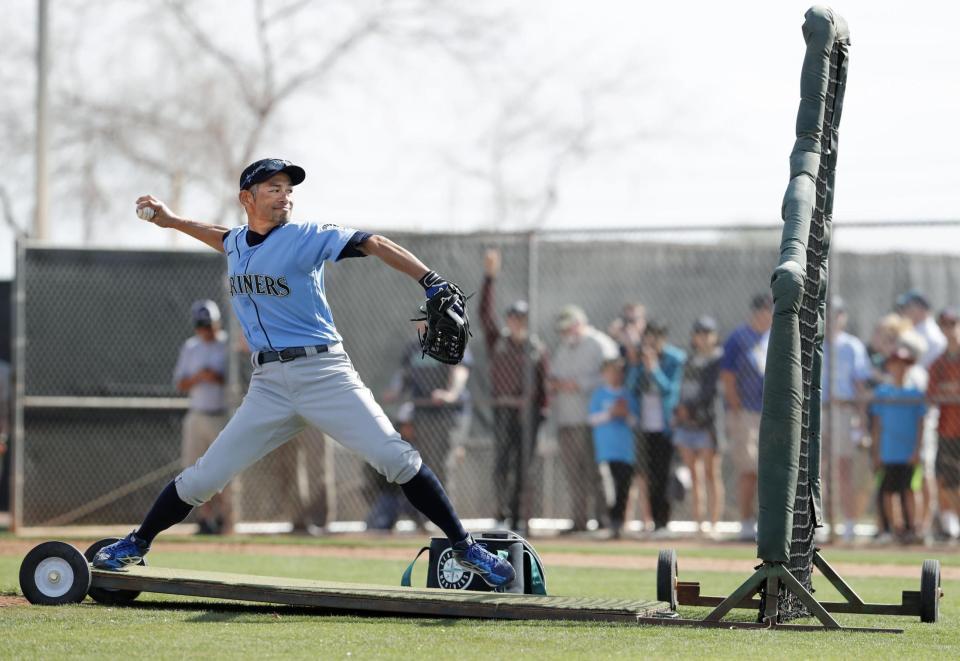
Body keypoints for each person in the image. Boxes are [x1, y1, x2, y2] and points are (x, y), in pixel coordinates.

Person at [93, 158, 515, 587]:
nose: (285, 195)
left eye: (288, 188)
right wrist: (172, 221)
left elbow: (372, 241)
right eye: (273, 187)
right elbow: (221, 237)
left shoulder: (305, 236)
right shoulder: (238, 242)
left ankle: (465, 547)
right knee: (206, 476)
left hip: (324, 373)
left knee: (394, 457)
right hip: (268, 387)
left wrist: (430, 279)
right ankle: (137, 543)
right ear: (247, 198)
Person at [479, 249, 548, 530]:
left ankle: (521, 519)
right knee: (501, 465)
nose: (515, 323)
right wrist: (489, 278)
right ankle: (502, 515)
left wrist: (542, 410)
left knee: (524, 467)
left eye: (520, 318)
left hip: (527, 413)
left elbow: (544, 383)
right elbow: (484, 314)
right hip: (504, 409)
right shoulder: (499, 341)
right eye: (512, 317)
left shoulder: (535, 348)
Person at [548, 305, 619, 532]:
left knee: (595, 471)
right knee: (573, 473)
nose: (564, 333)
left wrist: (579, 384)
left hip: (591, 419)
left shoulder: (600, 344)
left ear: (579, 324)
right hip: (566, 419)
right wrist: (557, 384)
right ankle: (579, 520)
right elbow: (555, 376)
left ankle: (605, 519)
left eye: (568, 328)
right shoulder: (563, 348)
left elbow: (612, 376)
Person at [172, 300, 233, 535]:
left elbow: (237, 378)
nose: (205, 330)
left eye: (208, 325)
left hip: (222, 416)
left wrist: (215, 377)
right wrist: (200, 377)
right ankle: (204, 519)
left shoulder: (227, 344)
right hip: (197, 415)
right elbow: (180, 383)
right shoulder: (191, 347)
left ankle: (225, 521)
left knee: (224, 471)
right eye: (201, 326)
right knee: (194, 470)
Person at [385, 326, 472, 486]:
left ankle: (443, 509)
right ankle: (425, 510)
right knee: (422, 465)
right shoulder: (413, 346)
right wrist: (395, 391)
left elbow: (460, 371)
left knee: (444, 465)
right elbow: (404, 374)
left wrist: (450, 393)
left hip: (448, 413)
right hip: (423, 412)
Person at [719, 292, 772, 541]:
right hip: (747, 412)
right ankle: (746, 521)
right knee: (749, 468)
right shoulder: (739, 338)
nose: (768, 316)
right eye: (764, 311)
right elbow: (728, 376)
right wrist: (736, 407)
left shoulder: (776, 336)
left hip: (773, 413)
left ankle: (770, 523)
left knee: (772, 471)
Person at [626, 321, 685, 535]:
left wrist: (654, 369)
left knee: (665, 473)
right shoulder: (640, 360)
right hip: (645, 425)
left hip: (666, 425)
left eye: (654, 339)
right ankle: (652, 521)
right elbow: (631, 387)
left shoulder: (674, 359)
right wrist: (636, 365)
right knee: (648, 474)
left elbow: (670, 389)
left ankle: (664, 521)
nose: (650, 344)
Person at [821, 297, 872, 542]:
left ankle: (848, 522)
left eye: (837, 313)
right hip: (818, 410)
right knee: (816, 471)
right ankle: (818, 524)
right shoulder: (814, 342)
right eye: (829, 313)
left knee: (843, 469)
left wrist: (861, 420)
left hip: (842, 410)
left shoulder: (852, 346)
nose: (833, 318)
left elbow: (860, 385)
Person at [870, 344, 927, 544]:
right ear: (890, 366)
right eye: (896, 364)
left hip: (908, 452)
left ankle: (914, 528)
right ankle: (894, 529)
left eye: (904, 364)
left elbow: (921, 425)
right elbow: (876, 426)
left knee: (911, 490)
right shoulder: (882, 393)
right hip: (888, 451)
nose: (900, 368)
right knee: (888, 491)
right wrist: (876, 452)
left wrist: (917, 450)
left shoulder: (915, 394)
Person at [673, 316, 724, 537]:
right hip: (687, 424)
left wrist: (691, 409)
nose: (703, 338)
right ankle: (698, 523)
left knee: (712, 473)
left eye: (707, 333)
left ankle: (713, 523)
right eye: (699, 333)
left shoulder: (718, 360)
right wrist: (681, 411)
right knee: (694, 474)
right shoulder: (688, 361)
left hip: (707, 423)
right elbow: (680, 390)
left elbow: (710, 394)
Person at [588, 358, 639, 539]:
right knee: (608, 488)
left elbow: (635, 421)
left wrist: (625, 414)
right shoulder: (599, 395)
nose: (615, 375)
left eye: (618, 371)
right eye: (610, 371)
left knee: (623, 487)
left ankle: (619, 523)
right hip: (606, 450)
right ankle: (607, 521)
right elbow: (592, 419)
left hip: (625, 451)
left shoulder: (627, 395)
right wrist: (611, 413)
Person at [927, 307, 960, 541]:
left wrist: (948, 391)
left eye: (953, 324)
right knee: (946, 482)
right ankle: (952, 526)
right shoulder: (939, 362)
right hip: (947, 429)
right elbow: (931, 394)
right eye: (944, 325)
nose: (949, 329)